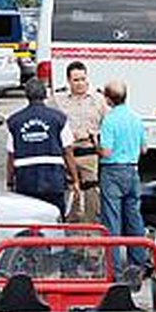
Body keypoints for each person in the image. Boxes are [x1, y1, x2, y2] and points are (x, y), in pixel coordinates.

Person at [5, 79, 80, 218]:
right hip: (54, 180)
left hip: (25, 180)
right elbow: (68, 152)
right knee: (55, 218)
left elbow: (11, 155)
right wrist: (75, 179)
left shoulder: (14, 121)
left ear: (26, 95)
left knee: (30, 220)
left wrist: (9, 182)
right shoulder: (59, 118)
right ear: (45, 94)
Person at [98, 80, 148, 272]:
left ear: (108, 99)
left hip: (112, 172)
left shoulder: (109, 120)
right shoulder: (136, 118)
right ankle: (138, 263)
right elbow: (144, 149)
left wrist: (96, 144)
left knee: (112, 220)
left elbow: (107, 152)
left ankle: (115, 269)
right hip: (133, 171)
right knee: (134, 218)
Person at [52, 61, 107, 223]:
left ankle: (91, 233)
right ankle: (73, 235)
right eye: (76, 80)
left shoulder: (98, 100)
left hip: (89, 153)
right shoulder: (58, 100)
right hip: (67, 155)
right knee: (71, 195)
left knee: (91, 194)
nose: (80, 83)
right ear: (68, 81)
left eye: (83, 79)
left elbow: (109, 125)